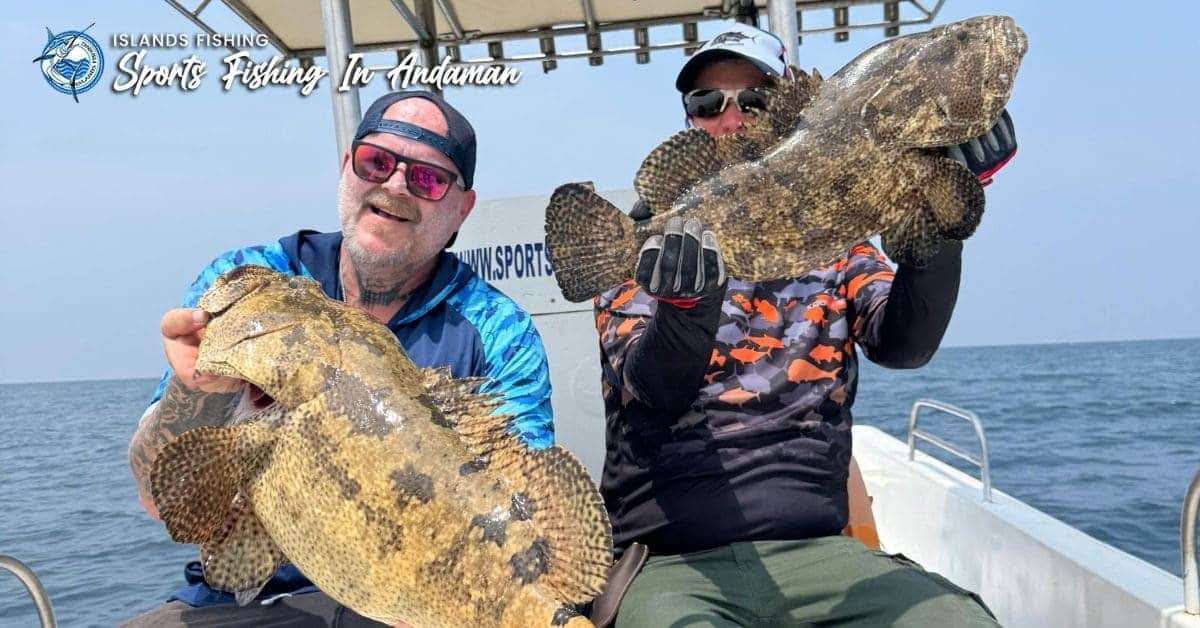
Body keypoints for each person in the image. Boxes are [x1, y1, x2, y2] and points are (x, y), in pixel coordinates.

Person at [593, 22, 1016, 627]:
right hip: (674, 565)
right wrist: (687, 306)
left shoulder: (840, 244)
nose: (730, 118)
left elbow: (905, 345)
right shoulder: (646, 247)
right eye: (707, 103)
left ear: (790, 112)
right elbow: (652, 389)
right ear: (688, 119)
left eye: (754, 100)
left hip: (822, 553)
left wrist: (938, 227)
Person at [123, 91, 554, 627]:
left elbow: (527, 513)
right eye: (377, 161)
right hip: (252, 605)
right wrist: (193, 394)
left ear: (462, 208)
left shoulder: (498, 330)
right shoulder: (252, 281)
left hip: (421, 601)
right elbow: (160, 505)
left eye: (427, 179)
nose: (394, 185)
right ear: (346, 167)